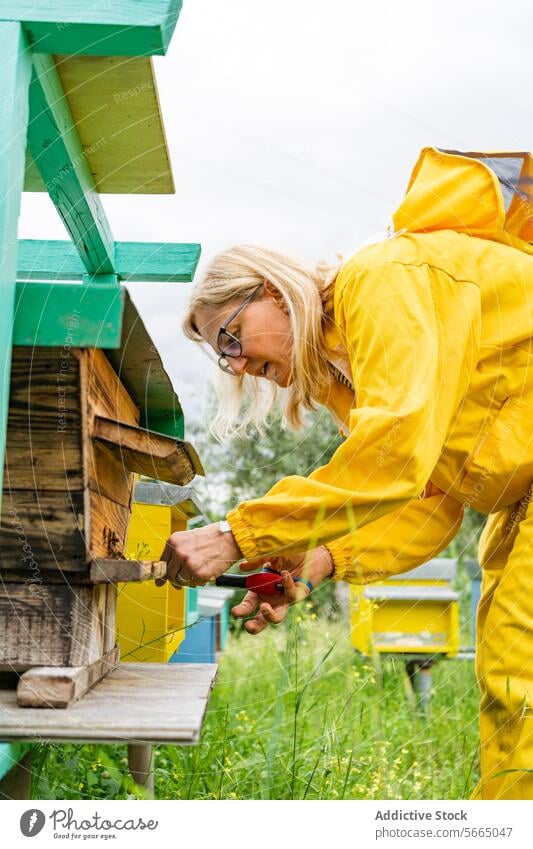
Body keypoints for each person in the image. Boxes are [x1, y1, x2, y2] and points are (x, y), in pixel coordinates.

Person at [160, 147, 533, 800]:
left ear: (272, 292)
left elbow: (392, 450)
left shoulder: (382, 279)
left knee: (520, 679)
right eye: (224, 358)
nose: (238, 365)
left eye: (229, 336)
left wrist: (238, 533)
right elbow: (429, 501)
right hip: (518, 501)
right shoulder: (348, 375)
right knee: (508, 679)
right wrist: (315, 558)